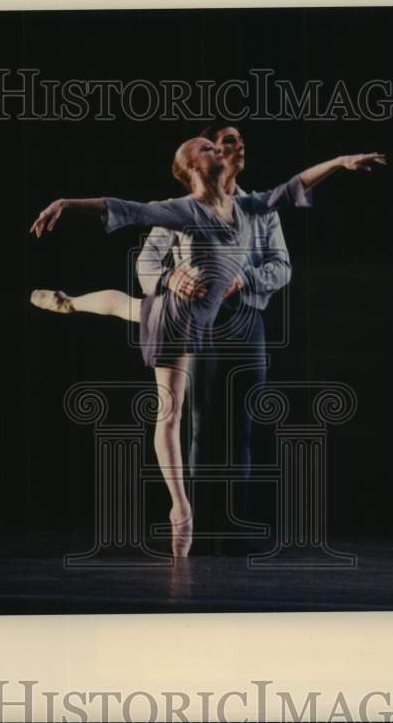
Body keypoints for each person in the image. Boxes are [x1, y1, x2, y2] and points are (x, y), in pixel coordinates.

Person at [28, 137, 386, 558]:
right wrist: (68, 203)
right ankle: (182, 510)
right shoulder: (183, 208)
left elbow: (293, 187)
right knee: (170, 412)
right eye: (207, 147)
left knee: (129, 308)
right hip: (179, 323)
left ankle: (71, 301)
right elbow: (128, 209)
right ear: (192, 166)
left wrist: (340, 162)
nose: (218, 149)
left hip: (210, 319)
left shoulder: (248, 208)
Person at [135, 123, 290, 553]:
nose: (234, 148)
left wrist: (246, 277)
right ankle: (198, 527)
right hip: (197, 320)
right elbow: (146, 264)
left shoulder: (259, 207)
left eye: (238, 141)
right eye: (224, 143)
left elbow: (283, 266)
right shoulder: (185, 207)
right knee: (200, 421)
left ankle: (234, 528)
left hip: (246, 316)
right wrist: (172, 277)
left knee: (241, 424)